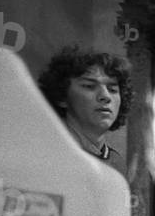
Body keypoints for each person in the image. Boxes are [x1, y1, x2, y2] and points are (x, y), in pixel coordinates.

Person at [38, 46, 132, 174]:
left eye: (112, 90)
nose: (105, 96)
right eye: (89, 86)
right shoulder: (42, 154)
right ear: (62, 97)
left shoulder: (117, 164)